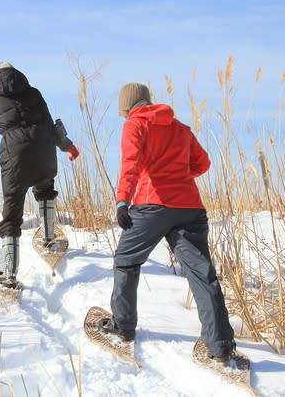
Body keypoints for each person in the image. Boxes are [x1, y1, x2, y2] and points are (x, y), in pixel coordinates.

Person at [98, 82, 236, 363]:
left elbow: (131, 164)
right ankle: (220, 346)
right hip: (190, 207)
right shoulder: (180, 127)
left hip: (152, 205)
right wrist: (179, 178)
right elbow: (203, 163)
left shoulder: (135, 125)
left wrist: (123, 200)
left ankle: (123, 327)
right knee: (202, 274)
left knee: (126, 260)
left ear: (127, 107)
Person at [0, 62, 80, 289]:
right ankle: (48, 238)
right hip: (44, 147)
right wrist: (68, 146)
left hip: (14, 153)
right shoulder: (34, 92)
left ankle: (9, 276)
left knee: (12, 211)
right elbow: (49, 123)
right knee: (46, 188)